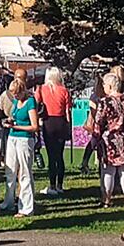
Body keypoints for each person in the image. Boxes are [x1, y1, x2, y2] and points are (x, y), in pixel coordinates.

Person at [93, 72, 124, 209]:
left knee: (108, 171)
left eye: (105, 85)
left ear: (110, 86)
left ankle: (106, 200)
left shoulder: (105, 102)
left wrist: (95, 137)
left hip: (110, 141)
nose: (104, 87)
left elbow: (98, 121)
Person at [0, 77, 38, 217]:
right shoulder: (16, 101)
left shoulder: (30, 102)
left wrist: (15, 126)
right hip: (12, 137)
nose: (15, 96)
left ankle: (26, 207)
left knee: (25, 172)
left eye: (17, 93)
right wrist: (10, 121)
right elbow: (15, 115)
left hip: (24, 139)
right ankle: (8, 202)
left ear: (23, 91)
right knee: (10, 170)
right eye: (13, 94)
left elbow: (34, 126)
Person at [37, 67, 72, 197]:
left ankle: (52, 185)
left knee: (51, 156)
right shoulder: (64, 91)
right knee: (60, 155)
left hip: (48, 122)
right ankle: (60, 185)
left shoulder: (42, 89)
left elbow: (36, 103)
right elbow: (68, 111)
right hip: (61, 122)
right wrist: (68, 127)